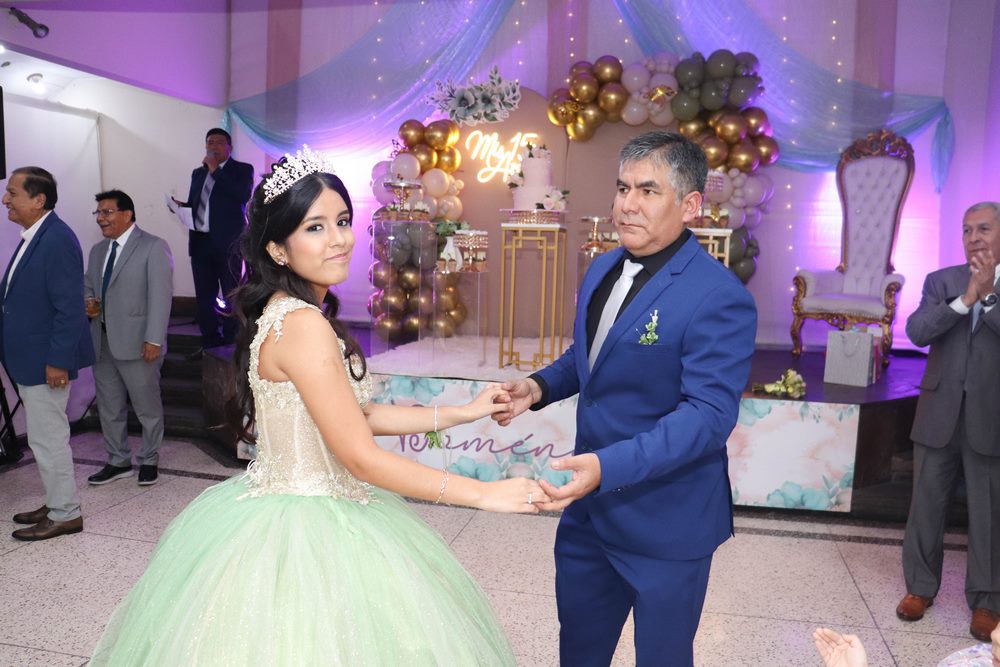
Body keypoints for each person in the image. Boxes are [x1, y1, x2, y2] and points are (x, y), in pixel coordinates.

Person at [90, 148, 546, 665]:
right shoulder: (304, 325)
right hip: (309, 520)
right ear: (278, 248)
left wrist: (463, 411)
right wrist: (483, 493)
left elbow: (355, 417)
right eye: (315, 227)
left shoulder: (286, 311)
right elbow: (360, 457)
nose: (339, 239)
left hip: (283, 504)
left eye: (343, 221)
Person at [494, 131, 757, 666]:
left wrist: (605, 468)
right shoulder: (602, 268)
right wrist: (540, 386)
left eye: (648, 191)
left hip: (667, 523)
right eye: (622, 187)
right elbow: (591, 356)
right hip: (589, 518)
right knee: (579, 653)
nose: (627, 205)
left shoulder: (719, 296)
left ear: (690, 205)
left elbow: (706, 417)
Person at [896, 201, 1000, 642]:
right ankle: (919, 588)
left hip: (991, 416)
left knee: (989, 513)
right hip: (938, 412)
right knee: (925, 505)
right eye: (967, 230)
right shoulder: (941, 281)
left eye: (984, 229)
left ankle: (987, 601)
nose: (973, 237)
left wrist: (988, 297)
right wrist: (965, 300)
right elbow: (918, 331)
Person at [1, 167, 94, 541]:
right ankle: (57, 500)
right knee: (43, 438)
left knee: (48, 438)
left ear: (38, 200)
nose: (5, 199)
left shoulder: (56, 239)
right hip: (30, 358)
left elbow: (69, 309)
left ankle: (65, 513)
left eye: (13, 193)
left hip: (46, 363)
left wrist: (58, 361)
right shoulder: (35, 236)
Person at [84, 190, 173, 487]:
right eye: (98, 213)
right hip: (102, 341)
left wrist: (154, 339)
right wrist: (88, 301)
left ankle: (149, 459)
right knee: (109, 407)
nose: (101, 218)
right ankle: (117, 460)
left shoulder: (153, 246)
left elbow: (160, 296)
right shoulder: (97, 250)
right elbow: (88, 285)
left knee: (147, 407)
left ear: (127, 214)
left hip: (139, 343)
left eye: (107, 212)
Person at [177, 128, 253, 357]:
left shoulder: (242, 169)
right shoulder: (197, 173)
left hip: (228, 243)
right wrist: (181, 207)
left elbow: (242, 195)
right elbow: (196, 204)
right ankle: (209, 340)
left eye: (219, 142)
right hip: (200, 242)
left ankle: (232, 340)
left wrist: (215, 171)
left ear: (230, 147)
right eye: (210, 142)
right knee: (204, 296)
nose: (213, 146)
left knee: (231, 293)